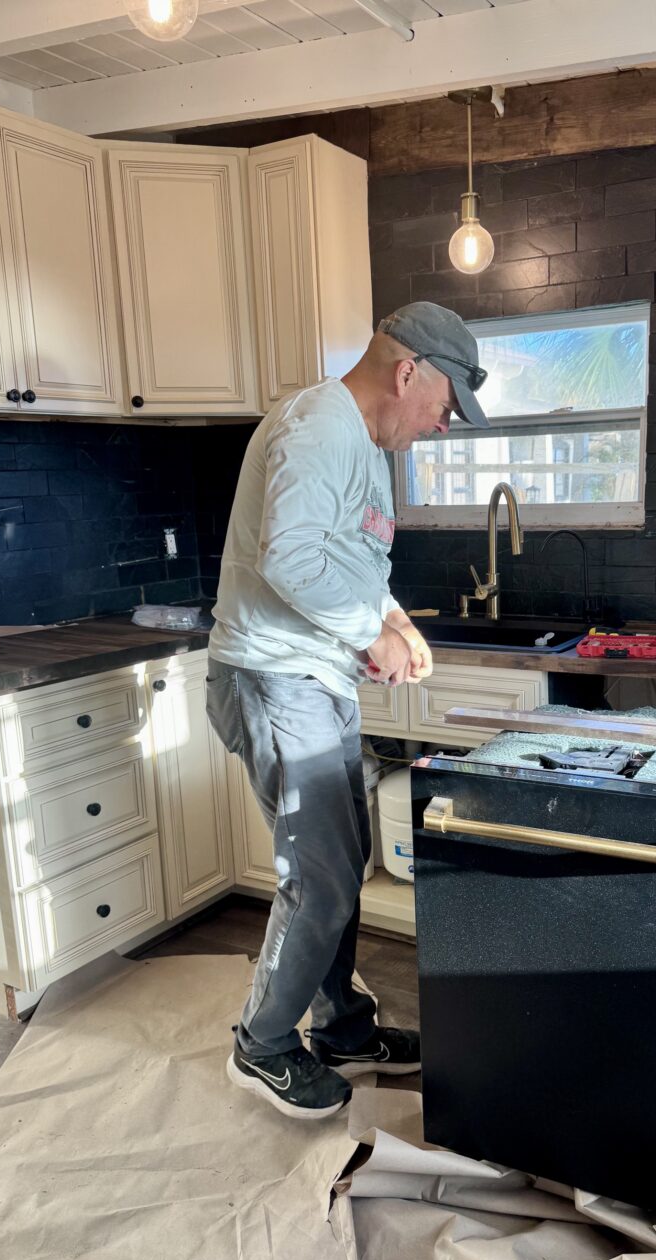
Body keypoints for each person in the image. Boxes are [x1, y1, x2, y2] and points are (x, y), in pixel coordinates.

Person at [206, 302, 490, 1120]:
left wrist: (393, 619)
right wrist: (373, 628)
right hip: (269, 677)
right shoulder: (319, 426)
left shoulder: (363, 447)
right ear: (408, 372)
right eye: (446, 405)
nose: (443, 425)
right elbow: (288, 554)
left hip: (314, 680)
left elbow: (349, 562)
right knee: (320, 874)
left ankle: (340, 1028)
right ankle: (260, 1043)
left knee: (343, 859)